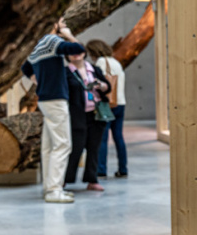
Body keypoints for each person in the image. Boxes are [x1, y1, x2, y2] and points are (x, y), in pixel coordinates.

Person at [21, 18, 85, 203]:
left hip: (45, 99)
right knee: (63, 144)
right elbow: (78, 49)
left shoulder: (37, 44)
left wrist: (36, 79)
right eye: (61, 22)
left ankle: (49, 188)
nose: (64, 24)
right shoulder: (51, 41)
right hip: (56, 99)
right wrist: (68, 35)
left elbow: (25, 67)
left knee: (49, 146)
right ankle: (54, 190)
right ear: (54, 25)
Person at [64, 51, 110, 191]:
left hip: (96, 114)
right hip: (77, 115)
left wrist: (101, 85)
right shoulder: (66, 72)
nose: (76, 54)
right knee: (75, 148)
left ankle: (92, 180)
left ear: (84, 53)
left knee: (94, 148)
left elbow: (108, 87)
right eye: (72, 52)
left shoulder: (94, 69)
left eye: (79, 51)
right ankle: (65, 179)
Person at [86, 40, 128, 178]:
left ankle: (101, 170)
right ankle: (123, 169)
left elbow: (98, 83)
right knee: (118, 137)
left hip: (106, 104)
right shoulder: (116, 62)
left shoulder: (101, 62)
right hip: (120, 103)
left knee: (102, 138)